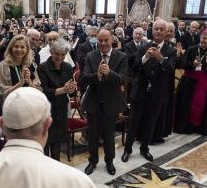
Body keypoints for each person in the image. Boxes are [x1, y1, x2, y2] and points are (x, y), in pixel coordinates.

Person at [123, 20, 176, 162]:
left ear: (166, 33)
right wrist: (145, 57)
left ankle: (144, 149)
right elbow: (134, 67)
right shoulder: (143, 47)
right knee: (133, 122)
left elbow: (170, 71)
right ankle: (127, 149)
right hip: (140, 91)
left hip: (157, 94)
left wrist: (160, 59)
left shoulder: (171, 51)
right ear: (152, 31)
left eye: (161, 29)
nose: (158, 31)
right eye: (156, 29)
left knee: (150, 122)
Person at [81, 28, 128, 175]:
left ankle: (109, 161)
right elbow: (85, 78)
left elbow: (122, 79)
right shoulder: (90, 56)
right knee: (93, 135)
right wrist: (98, 75)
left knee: (109, 135)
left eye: (105, 40)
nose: (102, 43)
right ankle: (92, 161)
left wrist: (109, 73)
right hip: (93, 103)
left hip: (111, 102)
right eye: (100, 40)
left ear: (111, 39)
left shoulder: (121, 56)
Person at [174, 29, 207, 135]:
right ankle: (183, 127)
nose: (205, 41)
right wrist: (192, 64)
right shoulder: (191, 49)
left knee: (199, 105)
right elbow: (182, 63)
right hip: (188, 81)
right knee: (185, 105)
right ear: (200, 38)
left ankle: (196, 128)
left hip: (202, 82)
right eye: (204, 38)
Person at [37, 39, 77, 161]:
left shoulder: (68, 67)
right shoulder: (42, 68)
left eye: (63, 54)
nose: (60, 57)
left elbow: (72, 92)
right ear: (51, 52)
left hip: (60, 109)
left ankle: (55, 167)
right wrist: (62, 90)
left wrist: (71, 91)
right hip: (47, 109)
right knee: (46, 142)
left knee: (57, 142)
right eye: (57, 54)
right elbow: (43, 91)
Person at [0, 34, 42, 99]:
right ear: (11, 48)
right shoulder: (3, 65)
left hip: (30, 103)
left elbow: (39, 90)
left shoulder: (31, 65)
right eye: (16, 46)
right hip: (12, 104)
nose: (19, 50)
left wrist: (29, 81)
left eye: (22, 47)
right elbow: (1, 92)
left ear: (27, 49)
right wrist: (20, 83)